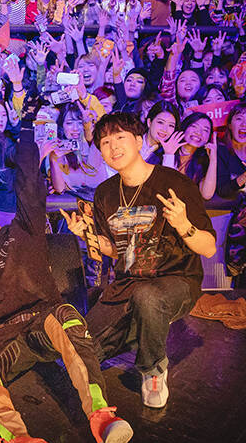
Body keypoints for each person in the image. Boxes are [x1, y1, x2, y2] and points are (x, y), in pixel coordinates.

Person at [0, 113, 132, 443]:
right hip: (3, 335)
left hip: (42, 317)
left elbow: (29, 182)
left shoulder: (23, 227)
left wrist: (29, 131)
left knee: (66, 316)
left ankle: (102, 418)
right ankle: (19, 441)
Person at [64, 112, 215, 410]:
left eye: (120, 138)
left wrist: (183, 224)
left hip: (176, 280)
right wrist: (87, 236)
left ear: (137, 141)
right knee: (79, 353)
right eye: (105, 142)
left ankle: (153, 369)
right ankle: (140, 329)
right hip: (127, 284)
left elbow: (209, 248)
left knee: (148, 297)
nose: (113, 147)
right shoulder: (105, 193)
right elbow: (114, 250)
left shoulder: (175, 183)